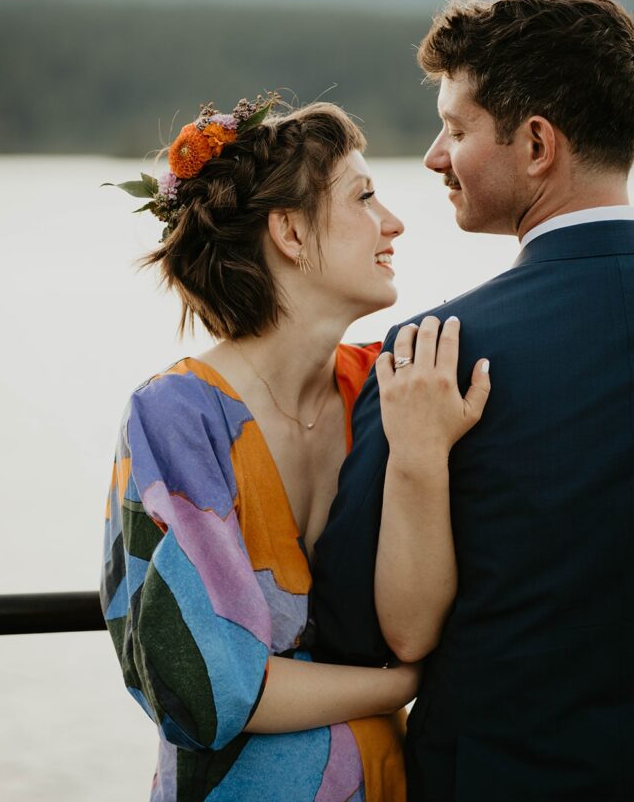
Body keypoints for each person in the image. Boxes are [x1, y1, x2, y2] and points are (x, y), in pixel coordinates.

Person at [99, 96, 491, 802]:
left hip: (390, 782)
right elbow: (203, 689)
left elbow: (421, 614)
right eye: (364, 197)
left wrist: (420, 454)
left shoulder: (384, 388)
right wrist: (401, 685)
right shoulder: (176, 419)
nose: (393, 223)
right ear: (288, 231)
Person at [313, 0, 634, 801]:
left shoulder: (432, 357)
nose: (434, 156)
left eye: (456, 129)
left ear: (536, 144)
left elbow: (357, 634)